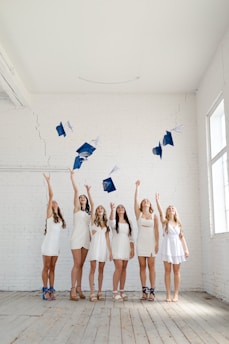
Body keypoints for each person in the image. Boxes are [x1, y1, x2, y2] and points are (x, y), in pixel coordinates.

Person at [155, 193, 189, 302]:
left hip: (177, 248)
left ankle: (176, 294)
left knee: (177, 272)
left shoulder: (178, 223)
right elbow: (160, 213)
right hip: (168, 247)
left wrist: (186, 249)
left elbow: (182, 237)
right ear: (167, 212)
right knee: (167, 271)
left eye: (172, 208)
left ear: (175, 211)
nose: (171, 209)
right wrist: (157, 201)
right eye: (169, 208)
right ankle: (168, 294)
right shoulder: (165, 222)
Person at [69, 169, 94, 301]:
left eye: (84, 198)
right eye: (80, 198)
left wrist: (89, 192)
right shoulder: (76, 209)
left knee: (82, 264)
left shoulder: (89, 214)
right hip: (76, 238)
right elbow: (76, 191)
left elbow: (88, 226)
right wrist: (72, 177)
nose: (82, 199)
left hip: (85, 239)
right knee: (76, 263)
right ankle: (72, 289)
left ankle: (79, 288)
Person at [41, 174, 66, 301]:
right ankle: (44, 290)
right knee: (46, 267)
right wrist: (48, 181)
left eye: (56, 202)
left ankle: (51, 289)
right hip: (48, 245)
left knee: (53, 268)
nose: (54, 201)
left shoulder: (59, 218)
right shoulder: (49, 215)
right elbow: (51, 195)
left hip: (56, 246)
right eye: (52, 202)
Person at [134, 180, 159, 301]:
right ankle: (144, 291)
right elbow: (135, 200)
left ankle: (152, 291)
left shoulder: (154, 216)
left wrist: (157, 243)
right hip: (140, 243)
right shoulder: (138, 214)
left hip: (151, 243)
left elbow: (157, 231)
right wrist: (137, 187)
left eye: (148, 201)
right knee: (142, 266)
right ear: (142, 204)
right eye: (144, 201)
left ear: (150, 204)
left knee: (151, 266)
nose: (146, 202)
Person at [109, 203, 135, 301]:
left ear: (125, 210)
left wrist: (132, 249)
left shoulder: (129, 222)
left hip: (126, 247)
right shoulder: (114, 221)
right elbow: (111, 221)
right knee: (118, 268)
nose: (120, 208)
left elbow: (131, 237)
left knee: (124, 268)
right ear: (116, 211)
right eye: (118, 208)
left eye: (122, 207)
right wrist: (111, 210)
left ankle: (122, 291)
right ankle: (115, 292)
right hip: (117, 246)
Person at [88, 205, 112, 301]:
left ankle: (99, 292)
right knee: (93, 269)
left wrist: (110, 252)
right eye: (98, 208)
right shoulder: (93, 220)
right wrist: (89, 192)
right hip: (94, 247)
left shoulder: (106, 223)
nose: (100, 209)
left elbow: (107, 238)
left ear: (104, 211)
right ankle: (92, 292)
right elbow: (92, 205)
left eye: (102, 208)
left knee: (101, 270)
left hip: (103, 248)